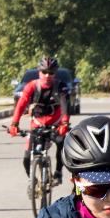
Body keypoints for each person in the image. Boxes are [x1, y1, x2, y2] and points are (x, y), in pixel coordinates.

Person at [9, 55, 70, 185]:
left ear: (55, 73)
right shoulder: (31, 86)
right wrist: (14, 123)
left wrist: (64, 122)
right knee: (26, 159)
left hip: (55, 124)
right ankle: (34, 182)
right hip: (37, 124)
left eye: (51, 73)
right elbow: (21, 104)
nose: (47, 75)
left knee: (62, 144)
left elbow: (64, 105)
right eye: (44, 72)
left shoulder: (60, 86)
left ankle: (58, 172)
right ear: (39, 72)